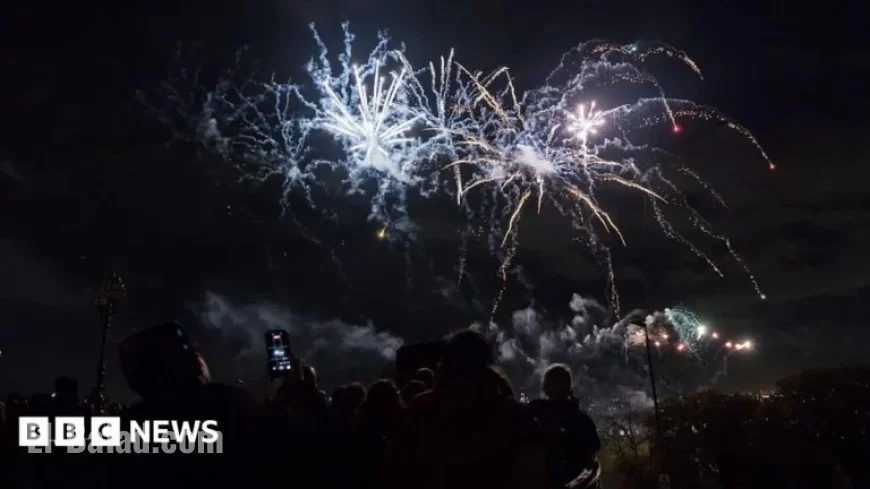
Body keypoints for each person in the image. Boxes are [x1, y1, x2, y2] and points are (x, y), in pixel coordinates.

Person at [387, 329, 546, 489]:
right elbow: (534, 477)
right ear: (486, 365)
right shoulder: (515, 417)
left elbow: (395, 471)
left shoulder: (418, 410)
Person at [529, 364, 602, 489]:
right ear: (568, 387)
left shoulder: (534, 415)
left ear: (545, 387)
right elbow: (594, 450)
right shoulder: (582, 420)